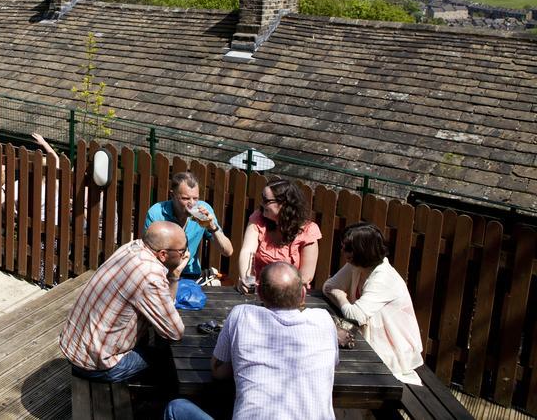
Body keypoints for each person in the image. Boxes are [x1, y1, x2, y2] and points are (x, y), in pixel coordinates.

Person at [165, 261, 339, 420]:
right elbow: (332, 364)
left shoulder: (242, 314)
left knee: (176, 408)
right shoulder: (324, 320)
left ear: (259, 293)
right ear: (303, 294)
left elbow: (218, 371)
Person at [60, 221, 187, 382]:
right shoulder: (150, 275)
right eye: (182, 250)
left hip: (74, 347)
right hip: (97, 365)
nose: (184, 254)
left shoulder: (133, 247)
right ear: (162, 254)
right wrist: (174, 276)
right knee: (168, 358)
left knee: (148, 332)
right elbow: (174, 332)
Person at [324, 222, 424, 384]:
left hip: (391, 351)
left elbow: (356, 316)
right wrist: (341, 297)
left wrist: (341, 296)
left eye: (347, 248)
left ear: (362, 251)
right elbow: (328, 286)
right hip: (367, 340)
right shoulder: (356, 266)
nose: (342, 251)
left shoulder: (383, 277)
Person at [144, 171, 233, 279]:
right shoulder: (157, 213)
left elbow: (228, 251)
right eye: (185, 199)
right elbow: (147, 254)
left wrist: (212, 227)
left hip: (189, 275)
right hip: (160, 273)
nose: (191, 203)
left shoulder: (204, 211)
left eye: (195, 198)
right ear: (172, 195)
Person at [236, 178, 321, 291]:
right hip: (257, 290)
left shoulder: (309, 230)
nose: (262, 203)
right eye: (262, 198)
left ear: (284, 204)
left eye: (266, 200)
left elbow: (305, 277)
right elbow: (247, 252)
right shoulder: (258, 218)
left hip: (289, 294)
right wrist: (245, 279)